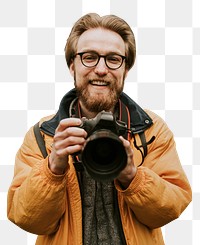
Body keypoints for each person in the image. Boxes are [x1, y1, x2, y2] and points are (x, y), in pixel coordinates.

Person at [7, 13, 192, 245]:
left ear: (125, 69)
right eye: (89, 57)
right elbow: (25, 218)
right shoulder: (42, 136)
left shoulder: (150, 131)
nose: (101, 69)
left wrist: (132, 177)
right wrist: (53, 167)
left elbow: (172, 207)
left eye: (113, 59)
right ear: (71, 66)